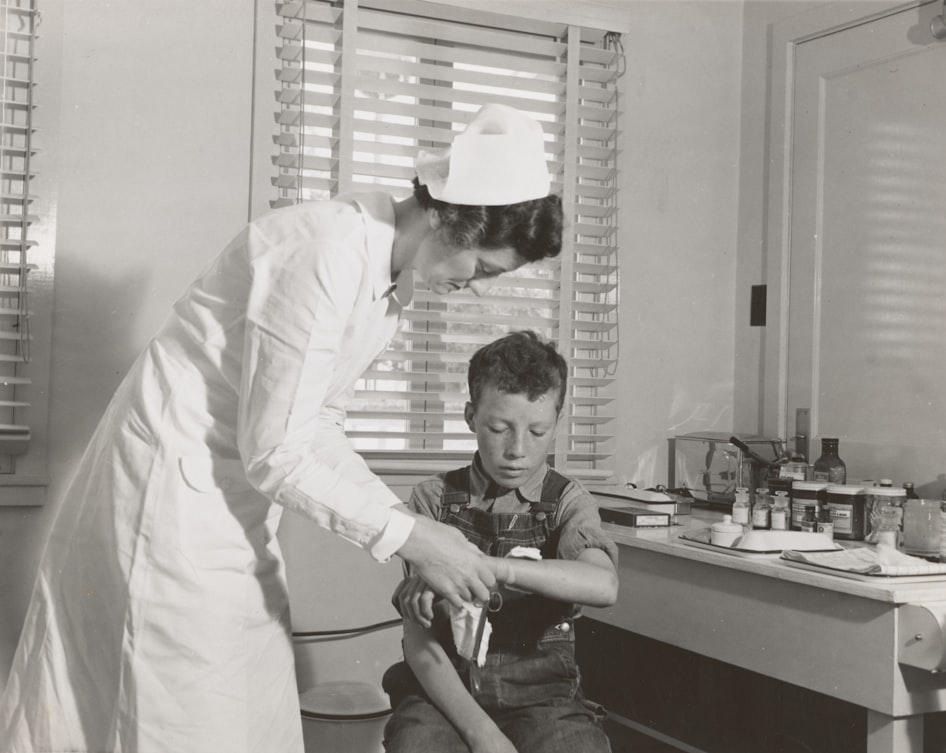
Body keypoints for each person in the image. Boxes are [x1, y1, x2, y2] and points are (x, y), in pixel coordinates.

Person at [0, 104, 564, 753]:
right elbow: (275, 449)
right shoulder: (322, 252)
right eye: (485, 269)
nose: (477, 287)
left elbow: (315, 423)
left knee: (248, 705)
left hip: (233, 500)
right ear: (450, 217)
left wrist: (415, 531)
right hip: (168, 501)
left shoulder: (388, 286)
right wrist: (414, 538)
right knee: (178, 714)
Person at [383, 331, 618, 753]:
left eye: (538, 431)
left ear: (558, 423)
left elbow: (604, 586)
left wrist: (493, 568)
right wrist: (482, 734)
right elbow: (419, 642)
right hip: (444, 694)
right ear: (471, 416)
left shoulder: (567, 502)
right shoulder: (432, 500)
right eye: (498, 428)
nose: (517, 450)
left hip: (544, 699)